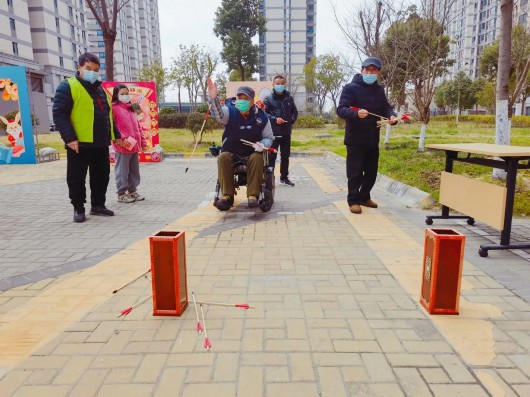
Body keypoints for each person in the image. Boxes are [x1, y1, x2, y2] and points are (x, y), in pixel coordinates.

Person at [53, 52, 122, 223]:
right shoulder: (68, 86)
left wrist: (116, 135)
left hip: (100, 142)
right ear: (79, 67)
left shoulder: (101, 90)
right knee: (76, 178)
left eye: (96, 69)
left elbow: (109, 115)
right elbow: (59, 113)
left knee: (101, 176)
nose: (92, 72)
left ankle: (98, 205)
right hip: (79, 143)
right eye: (88, 68)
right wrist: (69, 138)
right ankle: (78, 208)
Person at [336, 57, 398, 215]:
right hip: (355, 138)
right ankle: (354, 200)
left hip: (372, 137)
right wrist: (356, 113)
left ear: (378, 72)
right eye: (367, 70)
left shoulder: (379, 89)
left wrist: (392, 116)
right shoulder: (350, 88)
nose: (370, 73)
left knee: (371, 172)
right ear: (362, 70)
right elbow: (341, 109)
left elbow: (385, 107)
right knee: (355, 172)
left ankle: (364, 197)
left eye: (374, 70)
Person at [206, 76, 273, 211]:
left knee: (257, 158)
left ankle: (253, 195)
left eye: (245, 98)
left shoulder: (262, 117)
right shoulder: (229, 111)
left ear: (252, 101)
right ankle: (227, 196)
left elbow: (269, 137)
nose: (241, 101)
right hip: (232, 152)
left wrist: (262, 144)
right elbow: (218, 114)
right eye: (239, 98)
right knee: (223, 157)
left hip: (252, 153)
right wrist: (214, 99)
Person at [110, 84, 147, 203]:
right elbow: (112, 126)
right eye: (122, 94)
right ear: (116, 95)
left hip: (134, 145)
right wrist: (119, 138)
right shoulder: (113, 108)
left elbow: (138, 127)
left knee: (134, 170)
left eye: (127, 93)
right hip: (122, 145)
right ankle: (121, 193)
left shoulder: (132, 108)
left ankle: (132, 191)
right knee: (122, 170)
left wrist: (143, 142)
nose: (125, 96)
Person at [264, 75, 298, 186]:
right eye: (277, 83)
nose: (280, 85)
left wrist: (291, 121)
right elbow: (264, 114)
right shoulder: (268, 98)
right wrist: (275, 120)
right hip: (273, 132)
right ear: (273, 84)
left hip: (286, 131)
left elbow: (295, 112)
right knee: (271, 156)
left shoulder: (289, 98)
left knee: (285, 155)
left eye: (282, 83)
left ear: (285, 84)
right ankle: (269, 177)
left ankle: (284, 177)